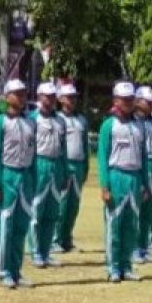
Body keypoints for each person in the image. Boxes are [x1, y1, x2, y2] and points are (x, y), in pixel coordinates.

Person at [0, 79, 36, 288]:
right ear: (7, 97)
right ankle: (4, 271)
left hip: (25, 177)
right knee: (6, 226)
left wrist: (33, 180)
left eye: (24, 93)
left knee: (21, 226)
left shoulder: (30, 122)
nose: (22, 97)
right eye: (17, 93)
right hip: (8, 175)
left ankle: (16, 270)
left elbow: (33, 154)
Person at [98, 82, 146, 282]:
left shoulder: (138, 125)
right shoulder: (109, 125)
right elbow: (102, 156)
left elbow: (143, 156)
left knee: (131, 225)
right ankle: (113, 267)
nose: (128, 103)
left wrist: (143, 183)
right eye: (124, 99)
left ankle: (127, 265)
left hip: (135, 178)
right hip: (116, 175)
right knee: (114, 224)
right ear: (116, 100)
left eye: (131, 99)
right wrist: (104, 185)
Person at [29, 82, 67, 268]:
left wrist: (65, 171)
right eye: (47, 96)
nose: (50, 100)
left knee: (52, 213)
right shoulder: (32, 119)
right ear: (39, 96)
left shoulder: (60, 120)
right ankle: (35, 251)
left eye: (53, 96)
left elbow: (64, 149)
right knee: (36, 211)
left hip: (56, 166)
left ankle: (46, 251)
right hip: (39, 164)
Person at [54, 83, 89, 253]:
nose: (72, 100)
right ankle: (55, 240)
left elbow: (85, 145)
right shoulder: (58, 119)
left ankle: (67, 239)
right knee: (61, 205)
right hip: (65, 164)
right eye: (69, 97)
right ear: (60, 99)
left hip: (79, 164)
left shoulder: (81, 119)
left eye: (74, 97)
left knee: (73, 206)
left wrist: (86, 167)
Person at [134, 86, 152, 264]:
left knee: (149, 210)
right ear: (138, 102)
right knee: (136, 209)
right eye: (148, 101)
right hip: (139, 166)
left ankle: (144, 246)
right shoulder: (133, 122)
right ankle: (133, 248)